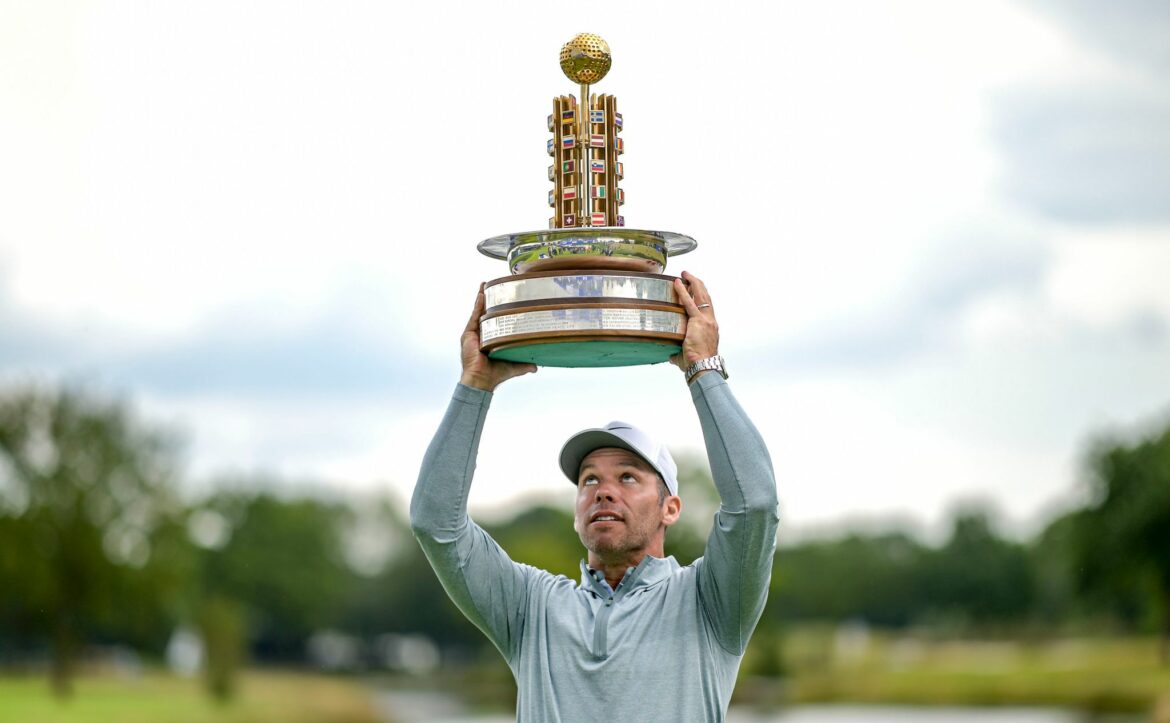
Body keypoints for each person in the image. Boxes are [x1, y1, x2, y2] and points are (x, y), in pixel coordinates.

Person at [411, 271, 778, 722]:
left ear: (671, 508)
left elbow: (754, 504)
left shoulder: (710, 600)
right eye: (588, 480)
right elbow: (436, 524)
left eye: (627, 477)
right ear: (577, 513)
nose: (603, 490)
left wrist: (702, 367)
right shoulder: (531, 607)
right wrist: (474, 386)